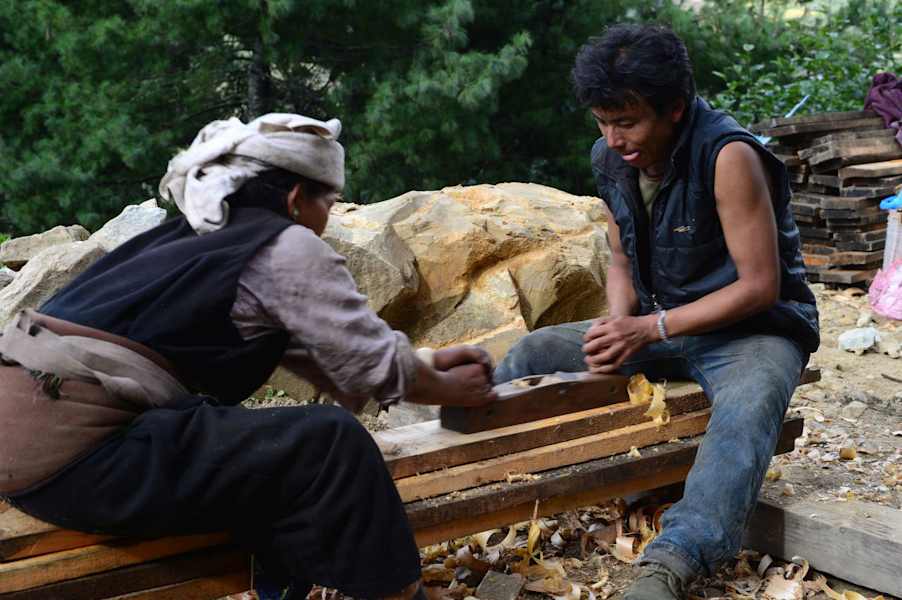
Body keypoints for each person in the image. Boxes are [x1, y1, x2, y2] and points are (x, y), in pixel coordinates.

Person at [0, 113, 497, 600]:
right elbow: (372, 367)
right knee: (330, 442)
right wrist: (453, 391)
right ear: (296, 199)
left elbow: (327, 353)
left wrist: (425, 366)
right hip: (82, 463)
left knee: (263, 445)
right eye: (329, 203)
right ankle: (398, 594)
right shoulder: (285, 245)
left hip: (29, 454)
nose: (329, 219)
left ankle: (287, 585)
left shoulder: (192, 237)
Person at [494, 25, 819, 600]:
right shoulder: (610, 159)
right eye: (603, 122)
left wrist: (649, 327)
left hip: (752, 330)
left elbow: (760, 287)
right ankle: (486, 489)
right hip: (660, 324)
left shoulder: (729, 156)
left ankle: (673, 561)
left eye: (627, 121)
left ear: (675, 107)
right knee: (533, 352)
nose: (614, 138)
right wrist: (617, 328)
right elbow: (621, 260)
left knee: (747, 407)